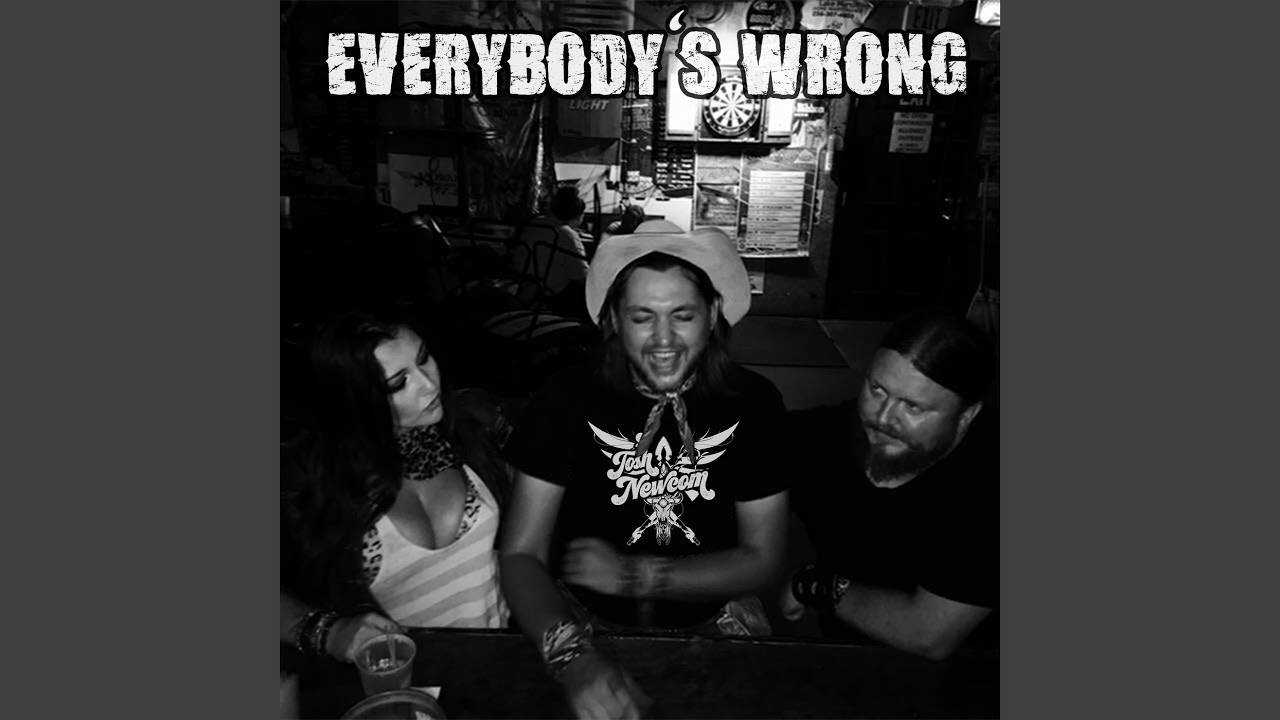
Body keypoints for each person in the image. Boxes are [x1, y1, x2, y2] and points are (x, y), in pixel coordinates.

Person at [499, 221, 790, 719]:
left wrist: (637, 576)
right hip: (579, 621)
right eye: (642, 317)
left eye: (683, 316)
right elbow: (520, 553)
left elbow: (764, 559)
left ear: (712, 314)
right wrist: (570, 657)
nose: (663, 340)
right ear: (614, 319)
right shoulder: (565, 398)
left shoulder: (754, 402)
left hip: (714, 617)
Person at [281, 312, 513, 667]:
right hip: (398, 685)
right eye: (398, 382)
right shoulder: (318, 481)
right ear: (355, 397)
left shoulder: (472, 430)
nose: (428, 385)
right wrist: (324, 631)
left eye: (424, 359)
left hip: (501, 667)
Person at [780, 311, 998, 660]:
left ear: (967, 415)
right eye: (877, 389)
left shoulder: (990, 481)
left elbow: (928, 634)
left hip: (969, 679)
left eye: (913, 407)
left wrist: (815, 587)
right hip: (836, 659)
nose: (883, 418)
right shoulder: (823, 436)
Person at [522, 186, 591, 312]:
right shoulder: (567, 236)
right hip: (552, 295)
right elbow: (583, 278)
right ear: (578, 215)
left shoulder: (536, 222)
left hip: (526, 285)